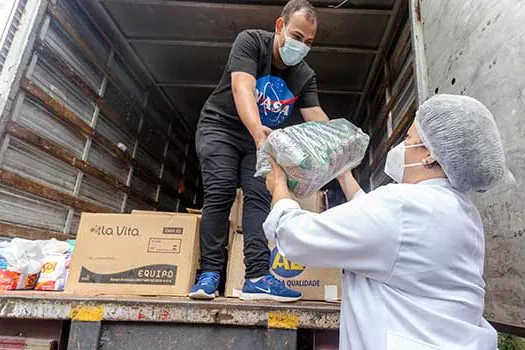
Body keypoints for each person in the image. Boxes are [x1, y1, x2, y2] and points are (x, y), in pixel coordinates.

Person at [264, 94, 507, 349]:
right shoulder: (463, 213)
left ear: (430, 155)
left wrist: (279, 189)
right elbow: (385, 235)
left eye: (408, 139)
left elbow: (298, 238)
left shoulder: (403, 207)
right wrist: (343, 174)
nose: (401, 147)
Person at [190, 0, 330, 301]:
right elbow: (242, 87)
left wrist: (341, 144)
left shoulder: (304, 75)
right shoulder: (252, 42)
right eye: (296, 37)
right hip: (222, 127)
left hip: (263, 139)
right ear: (280, 26)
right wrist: (257, 134)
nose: (302, 46)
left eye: (308, 42)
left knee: (258, 197)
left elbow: (315, 115)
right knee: (221, 189)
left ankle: (257, 276)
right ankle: (209, 274)